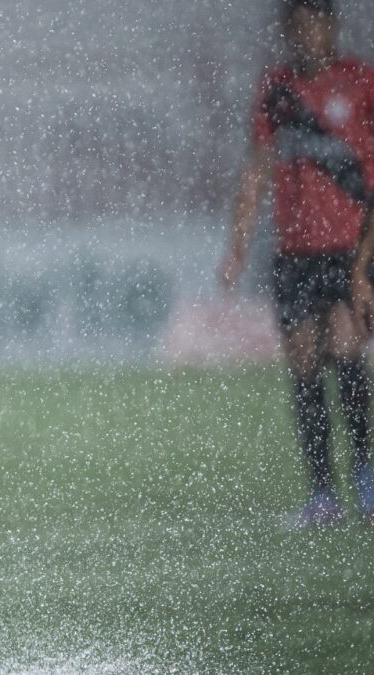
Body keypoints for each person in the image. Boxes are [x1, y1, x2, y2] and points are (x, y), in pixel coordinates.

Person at [220, 0, 374, 527]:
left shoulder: (361, 82)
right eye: (299, 26)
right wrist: (237, 245)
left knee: (348, 353)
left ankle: (366, 480)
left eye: (317, 24)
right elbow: (257, 167)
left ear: (332, 27)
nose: (309, 35)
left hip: (350, 249)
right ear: (289, 31)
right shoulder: (277, 88)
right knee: (305, 366)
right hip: (294, 253)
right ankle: (323, 495)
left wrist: (366, 261)